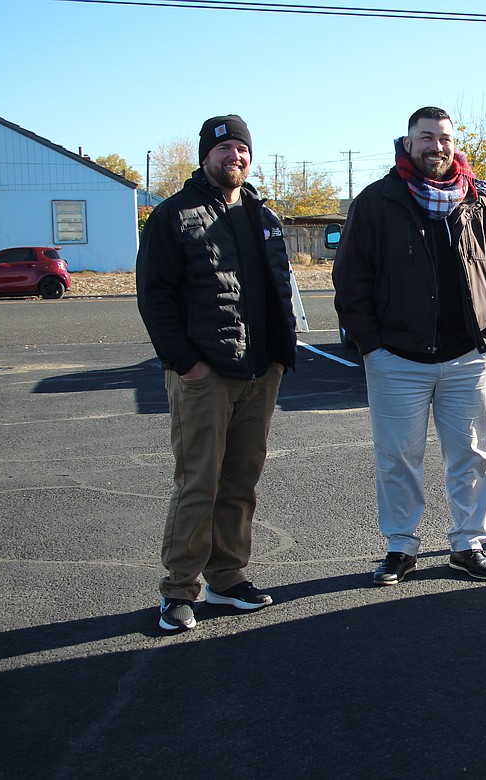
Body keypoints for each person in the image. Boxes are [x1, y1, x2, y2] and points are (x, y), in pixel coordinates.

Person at [333, 107, 486, 587]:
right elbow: (350, 280)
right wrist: (371, 345)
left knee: (473, 453)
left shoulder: (479, 201)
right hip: (396, 358)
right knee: (397, 457)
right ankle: (400, 547)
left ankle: (468, 543)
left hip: (468, 356)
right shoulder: (377, 201)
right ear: (408, 142)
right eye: (427, 137)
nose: (438, 146)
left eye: (445, 138)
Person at [137, 114, 297, 632]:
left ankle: (228, 578)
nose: (236, 156)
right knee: (197, 482)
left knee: (241, 480)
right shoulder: (173, 216)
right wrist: (187, 363)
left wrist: (279, 354)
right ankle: (180, 590)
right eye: (225, 148)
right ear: (206, 155)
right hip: (204, 375)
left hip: (259, 373)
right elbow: (154, 297)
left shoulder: (261, 215)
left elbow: (280, 288)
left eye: (243, 149)